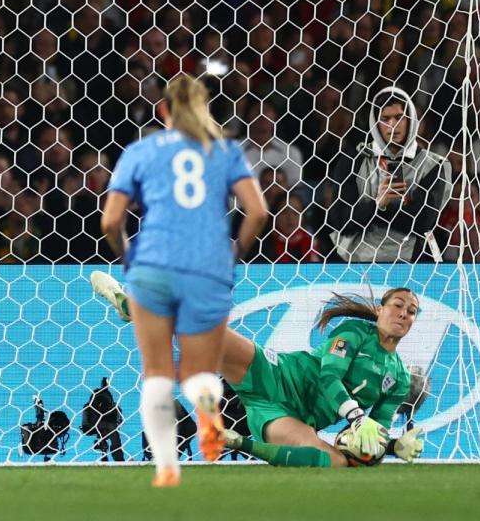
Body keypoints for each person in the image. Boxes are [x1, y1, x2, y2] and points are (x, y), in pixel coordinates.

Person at [97, 74, 268, 487]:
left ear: (163, 110)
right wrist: (233, 254)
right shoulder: (225, 150)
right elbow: (258, 211)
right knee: (200, 370)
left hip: (154, 267)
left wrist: (129, 262)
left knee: (156, 373)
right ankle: (209, 417)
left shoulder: (140, 150)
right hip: (206, 269)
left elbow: (110, 220)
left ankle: (167, 467)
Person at [92, 281, 427, 467]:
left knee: (340, 465)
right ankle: (133, 305)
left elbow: (375, 436)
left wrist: (393, 445)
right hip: (278, 375)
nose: (403, 313)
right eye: (397, 304)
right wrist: (355, 417)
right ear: (380, 310)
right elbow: (328, 379)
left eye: (411, 311)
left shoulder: (397, 379)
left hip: (287, 416)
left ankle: (240, 443)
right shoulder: (355, 332)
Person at [329, 86, 453, 263]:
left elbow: (422, 223)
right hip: (355, 262)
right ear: (375, 122)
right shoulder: (353, 159)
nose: (392, 125)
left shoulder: (435, 165)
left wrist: (377, 209)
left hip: (412, 263)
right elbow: (341, 221)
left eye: (399, 117)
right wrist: (377, 204)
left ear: (411, 120)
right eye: (385, 118)